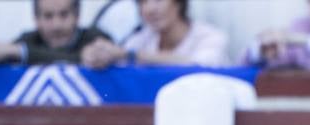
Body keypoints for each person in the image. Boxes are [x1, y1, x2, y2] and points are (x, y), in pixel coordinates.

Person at [81, 0, 227, 70]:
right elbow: (120, 59)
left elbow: (200, 65)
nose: (150, 9)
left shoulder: (210, 37)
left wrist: (132, 55)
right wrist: (97, 56)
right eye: (143, 2)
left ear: (179, 3)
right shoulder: (140, 39)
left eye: (158, 0)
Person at [0, 0, 112, 67]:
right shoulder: (28, 40)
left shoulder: (95, 38)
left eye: (64, 15)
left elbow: (73, 59)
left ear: (77, 16)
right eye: (48, 16)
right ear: (36, 19)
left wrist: (18, 52)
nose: (56, 25)